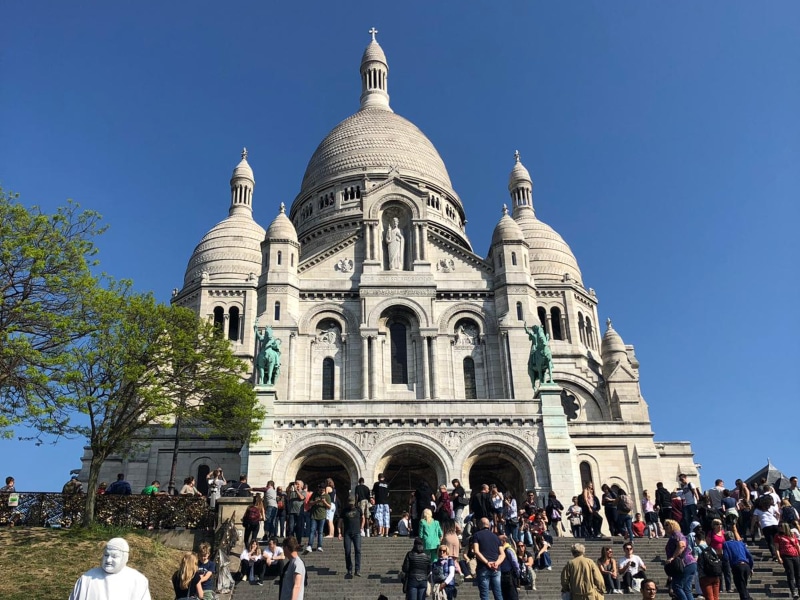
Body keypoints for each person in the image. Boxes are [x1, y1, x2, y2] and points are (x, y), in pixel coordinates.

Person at [69, 537, 151, 600]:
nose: (108, 560)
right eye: (106, 555)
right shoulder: (87, 578)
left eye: (114, 556)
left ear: (124, 558)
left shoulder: (137, 581)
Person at [664, 518, 698, 600]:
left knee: (676, 586)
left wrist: (673, 557)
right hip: (690, 564)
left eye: (667, 525)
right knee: (687, 589)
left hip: (684, 564)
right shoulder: (675, 535)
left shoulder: (677, 534)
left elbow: (681, 545)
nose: (665, 527)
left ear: (672, 526)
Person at [472, 516, 505, 600]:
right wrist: (496, 563)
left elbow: (476, 551)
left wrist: (487, 562)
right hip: (496, 568)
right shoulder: (496, 537)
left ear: (479, 526)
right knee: (498, 594)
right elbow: (502, 554)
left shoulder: (476, 535)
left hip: (483, 567)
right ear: (489, 525)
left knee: (484, 595)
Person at [722, 530, 753, 600]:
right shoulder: (741, 543)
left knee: (740, 587)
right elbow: (750, 556)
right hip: (746, 565)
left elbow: (725, 557)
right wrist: (751, 567)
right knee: (743, 587)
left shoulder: (726, 544)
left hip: (737, 566)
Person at [338, 495, 364, 578]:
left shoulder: (358, 509)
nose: (351, 505)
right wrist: (339, 533)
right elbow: (340, 522)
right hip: (347, 533)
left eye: (352, 504)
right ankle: (349, 569)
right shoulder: (344, 511)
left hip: (357, 533)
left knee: (358, 550)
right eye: (350, 504)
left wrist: (361, 527)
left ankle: (357, 569)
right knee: (347, 552)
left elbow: (363, 517)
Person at [751, 494, 781, 561]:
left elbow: (754, 519)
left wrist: (752, 527)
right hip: (775, 524)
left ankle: (774, 555)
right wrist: (777, 520)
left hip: (766, 525)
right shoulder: (772, 507)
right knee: (778, 540)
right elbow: (778, 514)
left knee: (770, 541)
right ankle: (780, 553)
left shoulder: (757, 510)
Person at [775, 522, 800, 599]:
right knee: (790, 573)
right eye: (779, 526)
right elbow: (776, 548)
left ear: (785, 527)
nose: (779, 527)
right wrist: (778, 557)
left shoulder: (792, 535)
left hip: (795, 555)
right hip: (786, 556)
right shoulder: (778, 536)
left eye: (780, 526)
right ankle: (793, 591)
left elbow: (797, 545)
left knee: (798, 574)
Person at [306, 482, 331, 552]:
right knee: (312, 530)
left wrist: (324, 502)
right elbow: (309, 503)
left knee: (320, 532)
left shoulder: (327, 496)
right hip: (314, 515)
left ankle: (319, 546)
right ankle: (309, 545)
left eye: (322, 490)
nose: (321, 491)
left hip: (322, 516)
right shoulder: (314, 494)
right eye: (320, 489)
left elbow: (329, 507)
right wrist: (316, 501)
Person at [372, 473, 390, 537]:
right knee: (386, 518)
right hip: (386, 503)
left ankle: (380, 532)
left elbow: (373, 493)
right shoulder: (387, 484)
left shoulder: (376, 484)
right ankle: (386, 533)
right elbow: (388, 494)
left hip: (379, 502)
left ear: (378, 478)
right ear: (383, 478)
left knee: (379, 518)